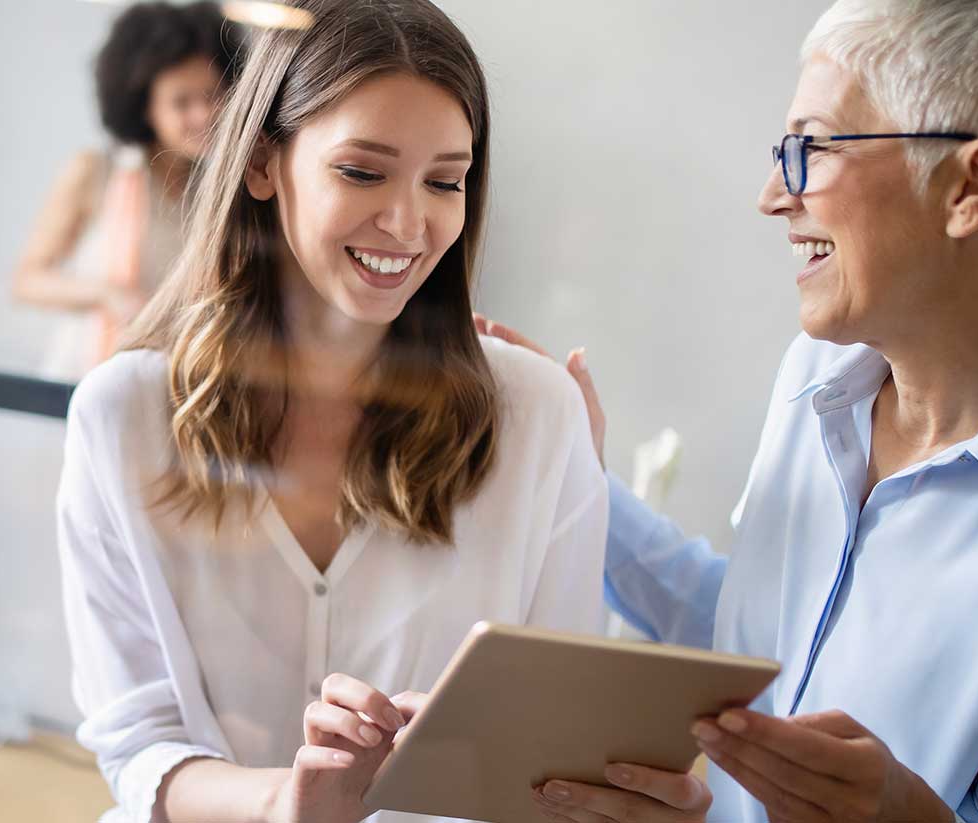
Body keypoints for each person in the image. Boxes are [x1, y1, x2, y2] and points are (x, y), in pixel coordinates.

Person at [485, 1, 978, 821]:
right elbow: (758, 650)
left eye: (812, 148)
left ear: (972, 185)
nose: (773, 195)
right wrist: (564, 475)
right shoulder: (819, 374)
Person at [55, 0, 608, 821]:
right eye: (362, 171)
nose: (408, 221)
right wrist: (286, 805)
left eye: (445, 181)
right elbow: (138, 744)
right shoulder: (123, 415)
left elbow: (553, 738)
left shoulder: (539, 416)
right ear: (262, 164)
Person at [14, 1, 239, 380]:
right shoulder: (94, 172)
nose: (204, 116)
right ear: (145, 106)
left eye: (213, 96)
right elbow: (27, 281)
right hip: (85, 378)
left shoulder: (224, 191)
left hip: (173, 384)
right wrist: (108, 295)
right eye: (181, 102)